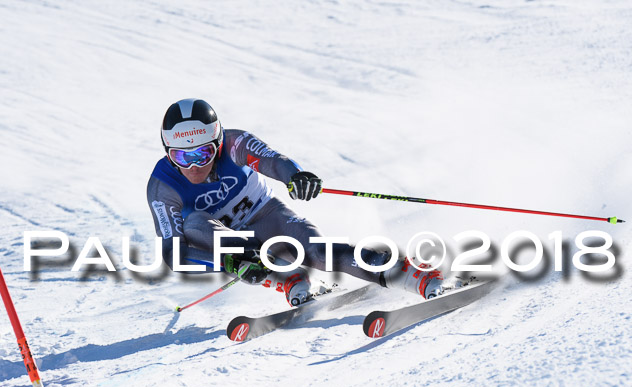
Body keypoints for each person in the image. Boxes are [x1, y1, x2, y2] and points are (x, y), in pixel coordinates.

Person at [146, 98, 445, 306]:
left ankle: (405, 273)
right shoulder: (162, 186)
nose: (195, 165)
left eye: (204, 153)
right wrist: (228, 262)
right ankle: (284, 277)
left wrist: (295, 176)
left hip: (267, 216)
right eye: (182, 157)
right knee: (194, 223)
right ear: (168, 152)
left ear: (218, 142)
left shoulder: (234, 143)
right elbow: (173, 254)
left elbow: (271, 160)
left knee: (318, 251)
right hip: (230, 243)